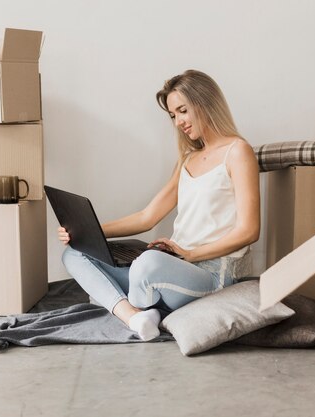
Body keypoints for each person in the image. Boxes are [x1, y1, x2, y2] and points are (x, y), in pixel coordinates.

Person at [58, 69, 260, 341]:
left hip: (212, 274)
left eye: (182, 111)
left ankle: (128, 304)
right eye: (173, 115)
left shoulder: (238, 152)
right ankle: (135, 316)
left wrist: (191, 254)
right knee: (75, 253)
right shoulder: (188, 159)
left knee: (148, 262)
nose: (178, 122)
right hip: (174, 266)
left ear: (204, 102)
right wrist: (87, 232)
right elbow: (147, 217)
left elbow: (249, 230)